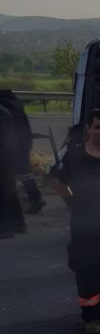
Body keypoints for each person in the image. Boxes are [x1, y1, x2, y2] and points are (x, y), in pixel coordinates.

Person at [52, 108, 100, 334]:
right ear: (88, 129)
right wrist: (74, 205)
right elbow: (58, 182)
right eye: (98, 127)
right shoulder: (74, 155)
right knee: (86, 267)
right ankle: (91, 319)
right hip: (84, 220)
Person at [0, 90, 46, 214]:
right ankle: (35, 198)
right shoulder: (13, 102)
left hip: (13, 142)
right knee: (23, 170)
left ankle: (35, 198)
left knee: (15, 172)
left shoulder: (3, 105)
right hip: (24, 140)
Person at [0, 101, 27, 238]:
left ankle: (5, 229)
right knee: (8, 190)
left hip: (4, 157)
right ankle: (18, 223)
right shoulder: (4, 110)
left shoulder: (2, 113)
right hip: (8, 157)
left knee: (4, 192)